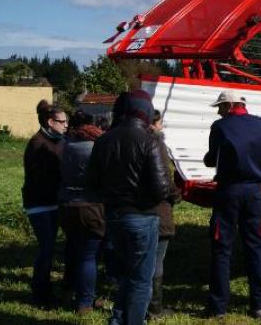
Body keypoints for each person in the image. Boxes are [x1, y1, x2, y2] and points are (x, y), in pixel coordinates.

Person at [88, 90, 172, 325]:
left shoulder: (104, 139)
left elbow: (91, 183)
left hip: (114, 216)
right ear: (145, 111)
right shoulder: (150, 141)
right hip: (143, 216)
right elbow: (162, 188)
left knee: (126, 273)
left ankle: (119, 319)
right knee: (141, 279)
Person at [203, 90, 261, 319]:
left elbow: (212, 157)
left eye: (221, 107)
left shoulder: (220, 127)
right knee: (255, 247)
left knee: (222, 247)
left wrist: (209, 158)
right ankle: (259, 305)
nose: (219, 112)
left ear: (231, 105)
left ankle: (218, 306)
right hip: (254, 192)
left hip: (229, 191)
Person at [58, 110, 105, 314]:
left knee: (75, 250)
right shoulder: (97, 147)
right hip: (91, 205)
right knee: (89, 256)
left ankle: (71, 290)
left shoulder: (65, 146)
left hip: (66, 204)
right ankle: (85, 301)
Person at [23, 100, 67, 308]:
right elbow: (42, 178)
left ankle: (44, 289)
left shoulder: (57, 140)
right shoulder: (38, 144)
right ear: (51, 122)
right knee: (47, 249)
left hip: (52, 202)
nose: (66, 125)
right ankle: (40, 293)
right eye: (62, 122)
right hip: (40, 204)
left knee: (49, 248)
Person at [148, 109, 182, 318]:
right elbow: (164, 181)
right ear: (156, 124)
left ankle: (137, 304)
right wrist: (176, 195)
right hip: (157, 210)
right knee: (156, 259)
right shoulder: (156, 143)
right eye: (161, 123)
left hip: (131, 211)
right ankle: (154, 307)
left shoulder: (127, 139)